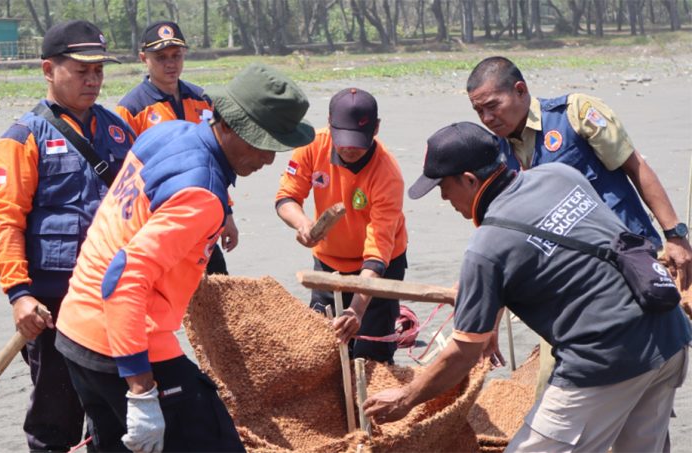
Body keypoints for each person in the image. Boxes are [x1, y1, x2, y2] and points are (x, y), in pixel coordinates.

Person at [363, 122, 690, 452]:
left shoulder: (485, 247)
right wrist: (486, 307)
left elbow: (463, 354)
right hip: (668, 333)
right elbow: (559, 254)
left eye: (443, 186)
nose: (444, 197)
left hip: (605, 358)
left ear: (469, 180)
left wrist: (405, 398)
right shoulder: (560, 175)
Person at [54, 63, 315, 452]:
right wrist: (142, 393)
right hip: (125, 343)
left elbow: (162, 192)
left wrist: (221, 206)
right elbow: (123, 278)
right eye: (264, 144)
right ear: (230, 126)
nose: (268, 160)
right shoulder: (200, 196)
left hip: (77, 329)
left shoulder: (167, 133)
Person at [466, 56, 692, 394]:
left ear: (520, 90)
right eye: (479, 112)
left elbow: (636, 168)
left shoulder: (576, 115)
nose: (487, 118)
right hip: (569, 284)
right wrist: (489, 324)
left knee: (641, 383)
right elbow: (504, 245)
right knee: (555, 386)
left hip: (630, 265)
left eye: (492, 106)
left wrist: (674, 235)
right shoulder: (496, 156)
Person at [0, 20, 134, 451]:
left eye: (99, 71)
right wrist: (18, 294)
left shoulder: (119, 129)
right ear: (48, 70)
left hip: (115, 294)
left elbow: (139, 206)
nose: (93, 80)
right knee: (56, 415)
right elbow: (5, 222)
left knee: (118, 414)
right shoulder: (21, 139)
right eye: (81, 70)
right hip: (53, 303)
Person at [275, 87, 408, 364]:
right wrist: (302, 224)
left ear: (376, 129)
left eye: (358, 141)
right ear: (329, 123)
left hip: (378, 268)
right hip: (328, 263)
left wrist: (357, 310)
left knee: (372, 356)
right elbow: (286, 197)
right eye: (342, 139)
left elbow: (377, 254)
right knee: (326, 351)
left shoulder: (388, 174)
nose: (348, 148)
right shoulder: (312, 145)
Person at [116, 20, 236, 275]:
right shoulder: (131, 109)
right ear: (143, 58)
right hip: (160, 220)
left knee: (218, 295)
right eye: (161, 57)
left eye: (176, 56)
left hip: (205, 218)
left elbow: (219, 162)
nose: (170, 64)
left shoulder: (202, 100)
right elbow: (122, 176)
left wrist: (228, 213)